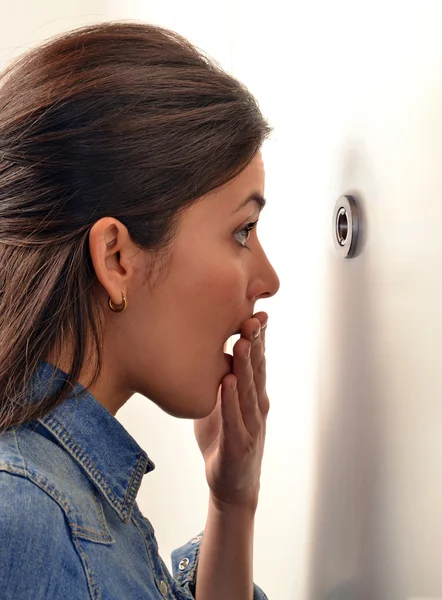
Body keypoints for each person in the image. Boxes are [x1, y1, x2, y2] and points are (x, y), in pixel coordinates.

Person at [0, 21, 280, 600]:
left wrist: (233, 500)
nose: (268, 281)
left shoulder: (71, 502)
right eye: (243, 231)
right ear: (116, 256)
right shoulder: (27, 521)